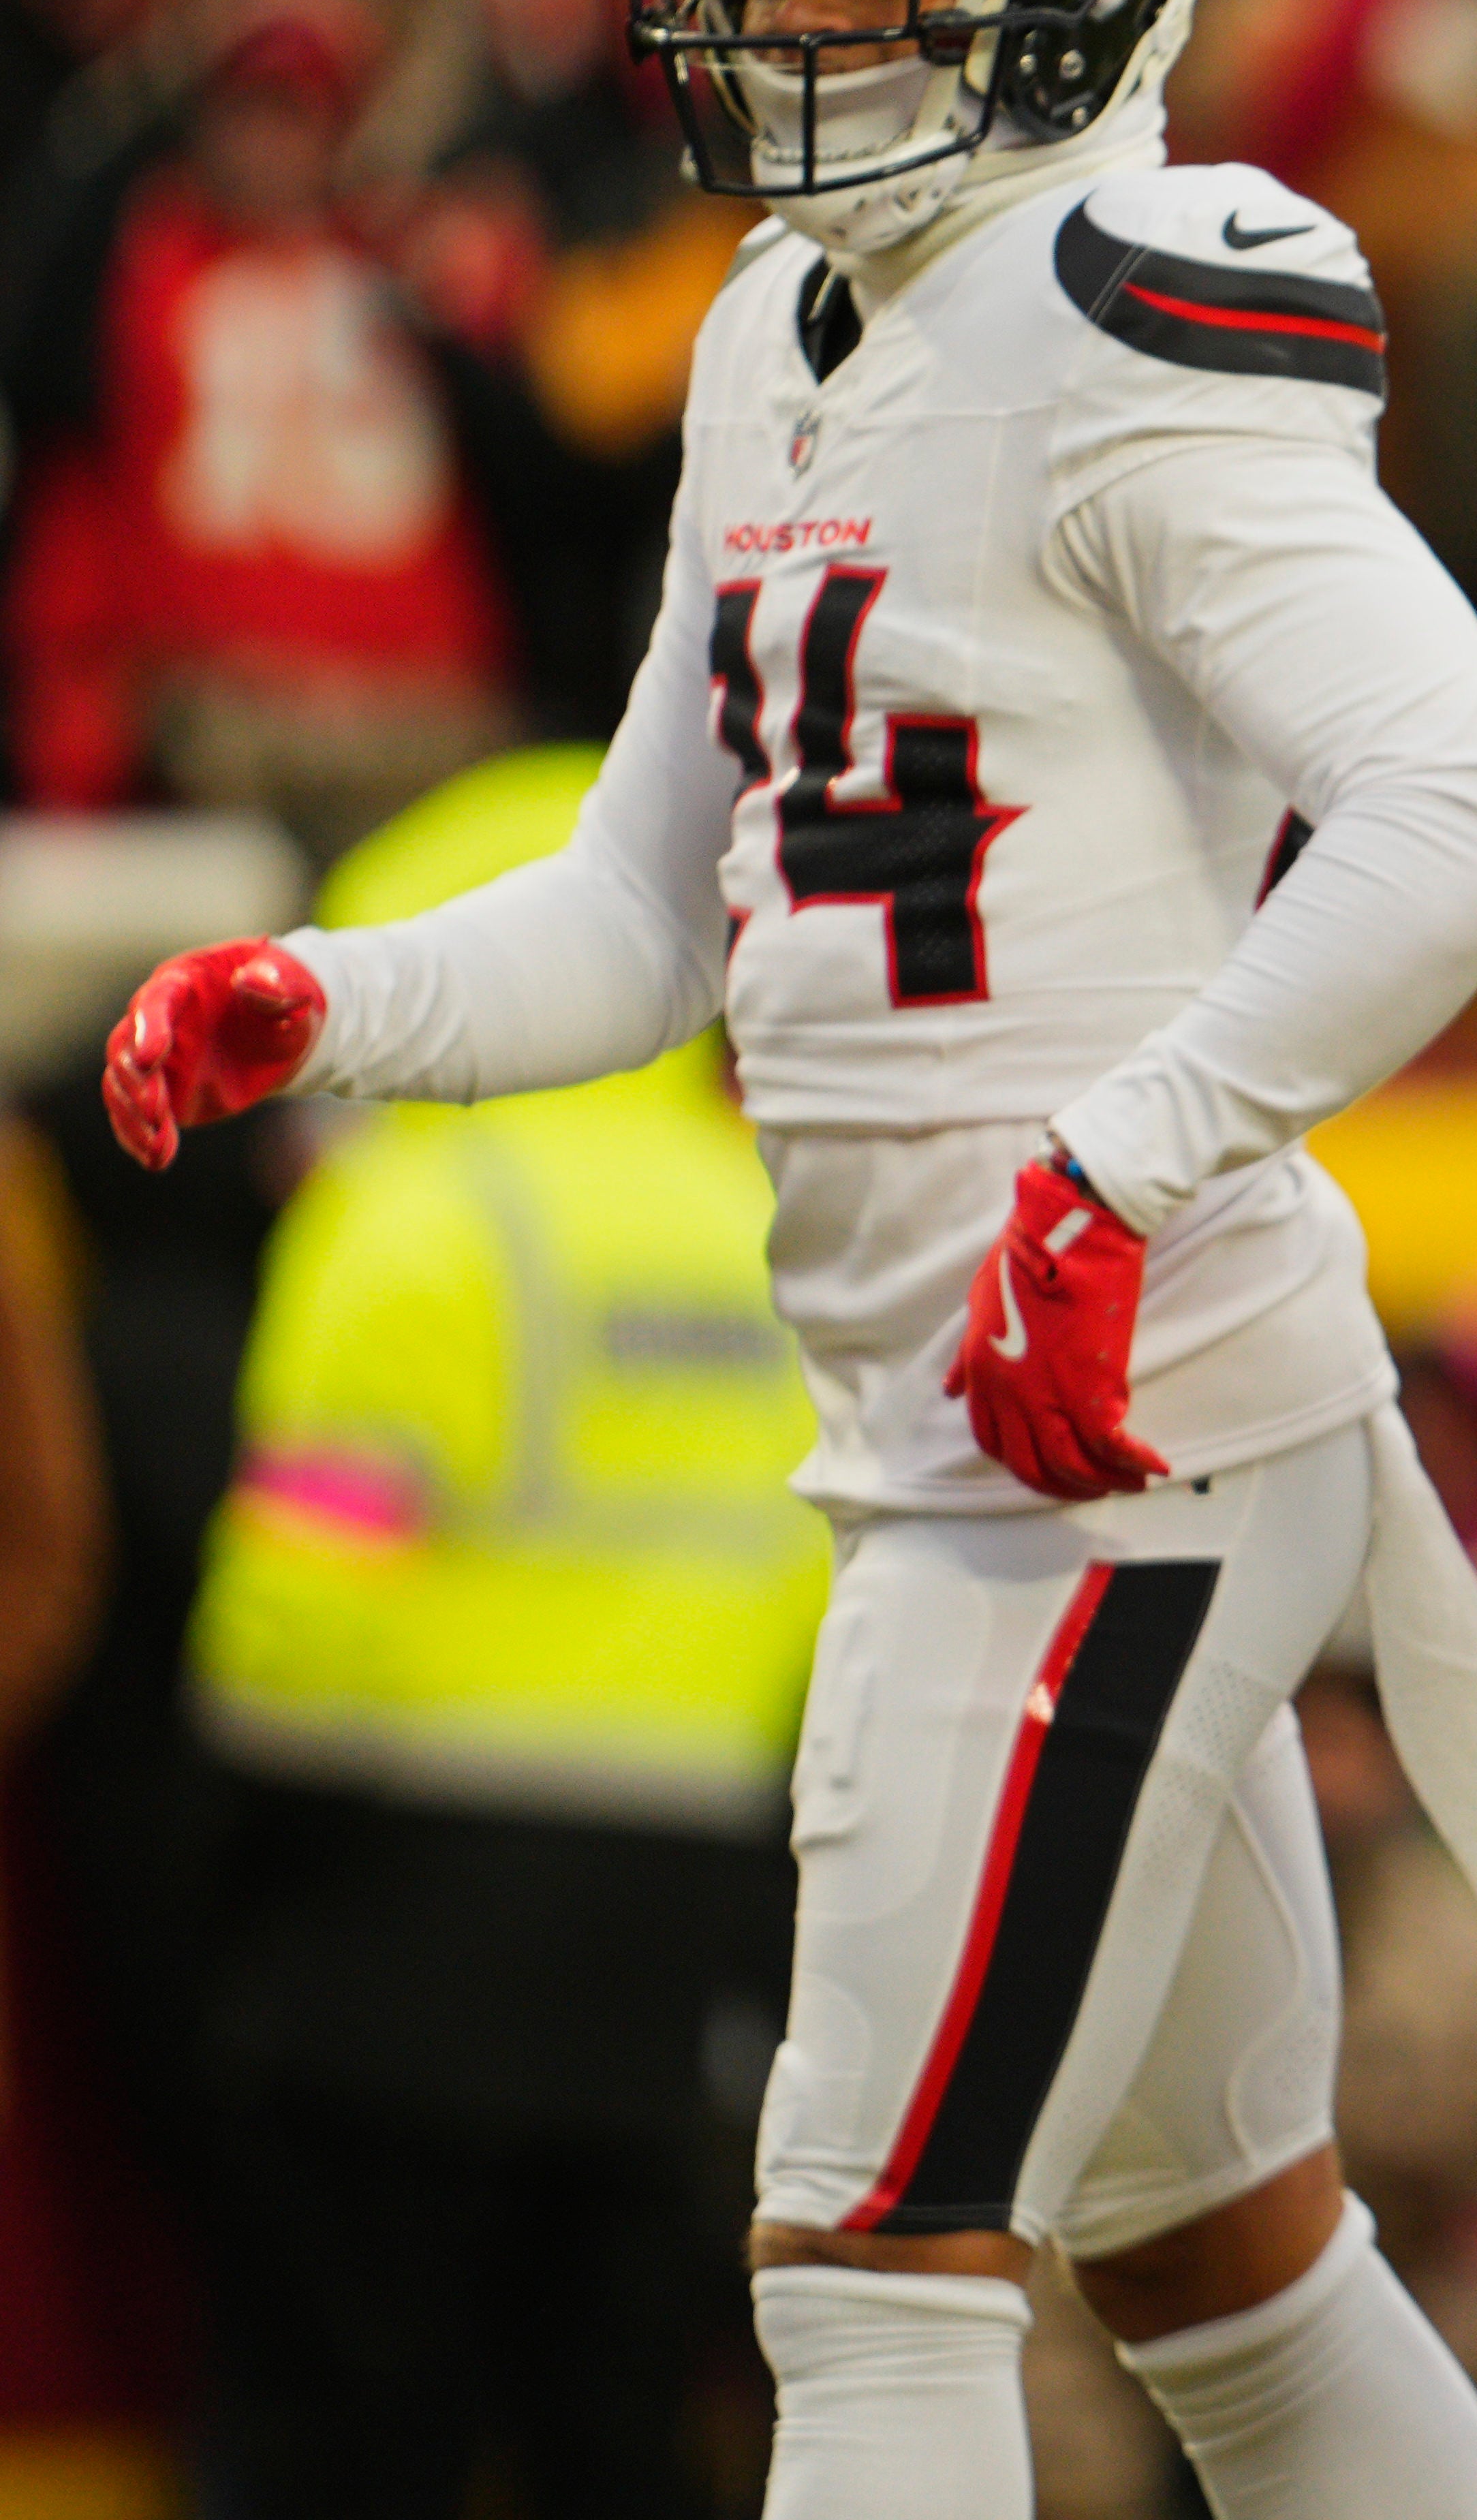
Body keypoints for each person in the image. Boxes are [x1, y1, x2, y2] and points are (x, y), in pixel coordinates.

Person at [93, 0, 1477, 2520]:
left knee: (865, 2255)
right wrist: (348, 999)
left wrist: (1127, 1163)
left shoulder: (1135, 297)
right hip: (978, 1400)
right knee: (1228, 2264)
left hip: (1105, 1416)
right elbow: (655, 912)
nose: (801, 20)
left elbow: (1461, 813)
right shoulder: (772, 328)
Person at [182, 745, 828, 2520]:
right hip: (681, 1918)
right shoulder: (768, 1224)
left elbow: (292, 1622)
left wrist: (222, 1837)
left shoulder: (415, 1220)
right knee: (612, 2423)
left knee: (347, 2429)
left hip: (394, 1918)